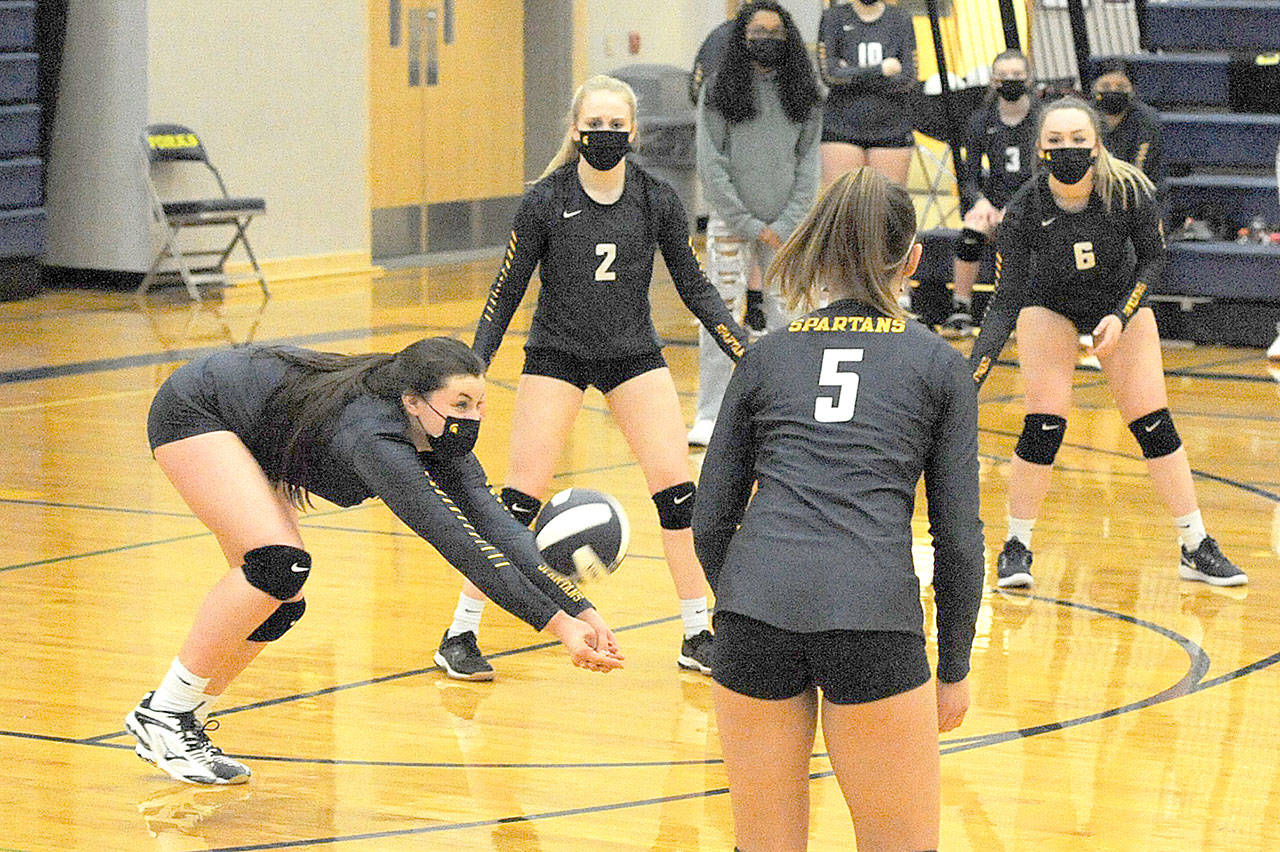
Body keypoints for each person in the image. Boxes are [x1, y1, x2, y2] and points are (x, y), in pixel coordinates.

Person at [124, 337, 623, 786]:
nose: (471, 418)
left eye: (480, 404)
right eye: (460, 404)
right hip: (198, 410)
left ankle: (180, 719)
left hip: (249, 424)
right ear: (413, 401)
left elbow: (502, 531)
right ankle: (164, 713)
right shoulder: (376, 442)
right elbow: (464, 549)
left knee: (281, 602)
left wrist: (582, 611)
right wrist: (558, 626)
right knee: (279, 566)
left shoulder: (439, 438)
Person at [693, 166, 983, 851]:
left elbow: (709, 520)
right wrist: (955, 666)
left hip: (755, 611)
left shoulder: (766, 357)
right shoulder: (939, 366)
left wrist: (745, 600)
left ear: (818, 252)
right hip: (871, 615)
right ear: (912, 260)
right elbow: (959, 542)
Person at [435, 75, 751, 682]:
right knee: (517, 501)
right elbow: (506, 291)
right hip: (557, 354)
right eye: (594, 125)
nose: (603, 135)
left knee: (679, 495)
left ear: (633, 132)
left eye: (615, 126)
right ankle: (460, 631)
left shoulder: (656, 198)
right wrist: (473, 369)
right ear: (574, 129)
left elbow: (693, 286)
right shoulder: (545, 201)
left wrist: (742, 350)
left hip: (633, 355)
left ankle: (696, 630)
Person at [970, 96, 1247, 589]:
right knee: (1044, 424)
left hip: (1120, 301)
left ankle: (1194, 544)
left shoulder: (1128, 191)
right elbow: (1007, 298)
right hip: (1048, 306)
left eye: (1078, 139)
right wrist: (970, 375)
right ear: (1039, 147)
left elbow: (1153, 261)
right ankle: (1016, 546)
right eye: (1056, 140)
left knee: (1155, 425)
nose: (1068, 148)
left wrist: (1121, 316)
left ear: (1097, 144)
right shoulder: (1024, 210)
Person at [687, 0, 821, 447]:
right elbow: (711, 163)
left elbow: (808, 164)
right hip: (731, 222)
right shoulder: (720, 89)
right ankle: (711, 411)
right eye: (757, 31)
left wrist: (784, 222)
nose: (766, 39)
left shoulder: (805, 93)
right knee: (721, 316)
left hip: (789, 224)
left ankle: (792, 407)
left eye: (775, 32)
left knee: (791, 316)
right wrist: (745, 220)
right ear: (742, 36)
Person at [942, 49, 1038, 339]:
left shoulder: (1042, 118)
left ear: (1029, 79)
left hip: (1032, 201)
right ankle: (961, 307)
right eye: (1003, 76)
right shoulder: (981, 121)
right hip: (993, 202)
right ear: (993, 81)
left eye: (1017, 76)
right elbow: (968, 177)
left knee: (1017, 230)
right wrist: (982, 203)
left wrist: (1015, 207)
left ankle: (1016, 309)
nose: (1010, 81)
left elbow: (1045, 175)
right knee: (973, 228)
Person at [816, 0, 918, 188]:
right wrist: (880, 70)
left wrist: (850, 73)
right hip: (841, 128)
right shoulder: (833, 18)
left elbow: (907, 79)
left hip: (891, 129)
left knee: (886, 208)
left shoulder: (900, 19)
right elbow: (830, 76)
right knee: (842, 207)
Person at [1092, 58, 1164, 192]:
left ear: (1131, 90)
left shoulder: (1147, 119)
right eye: (1106, 87)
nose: (1113, 91)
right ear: (1095, 89)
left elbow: (1140, 169)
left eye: (1120, 87)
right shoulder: (1085, 118)